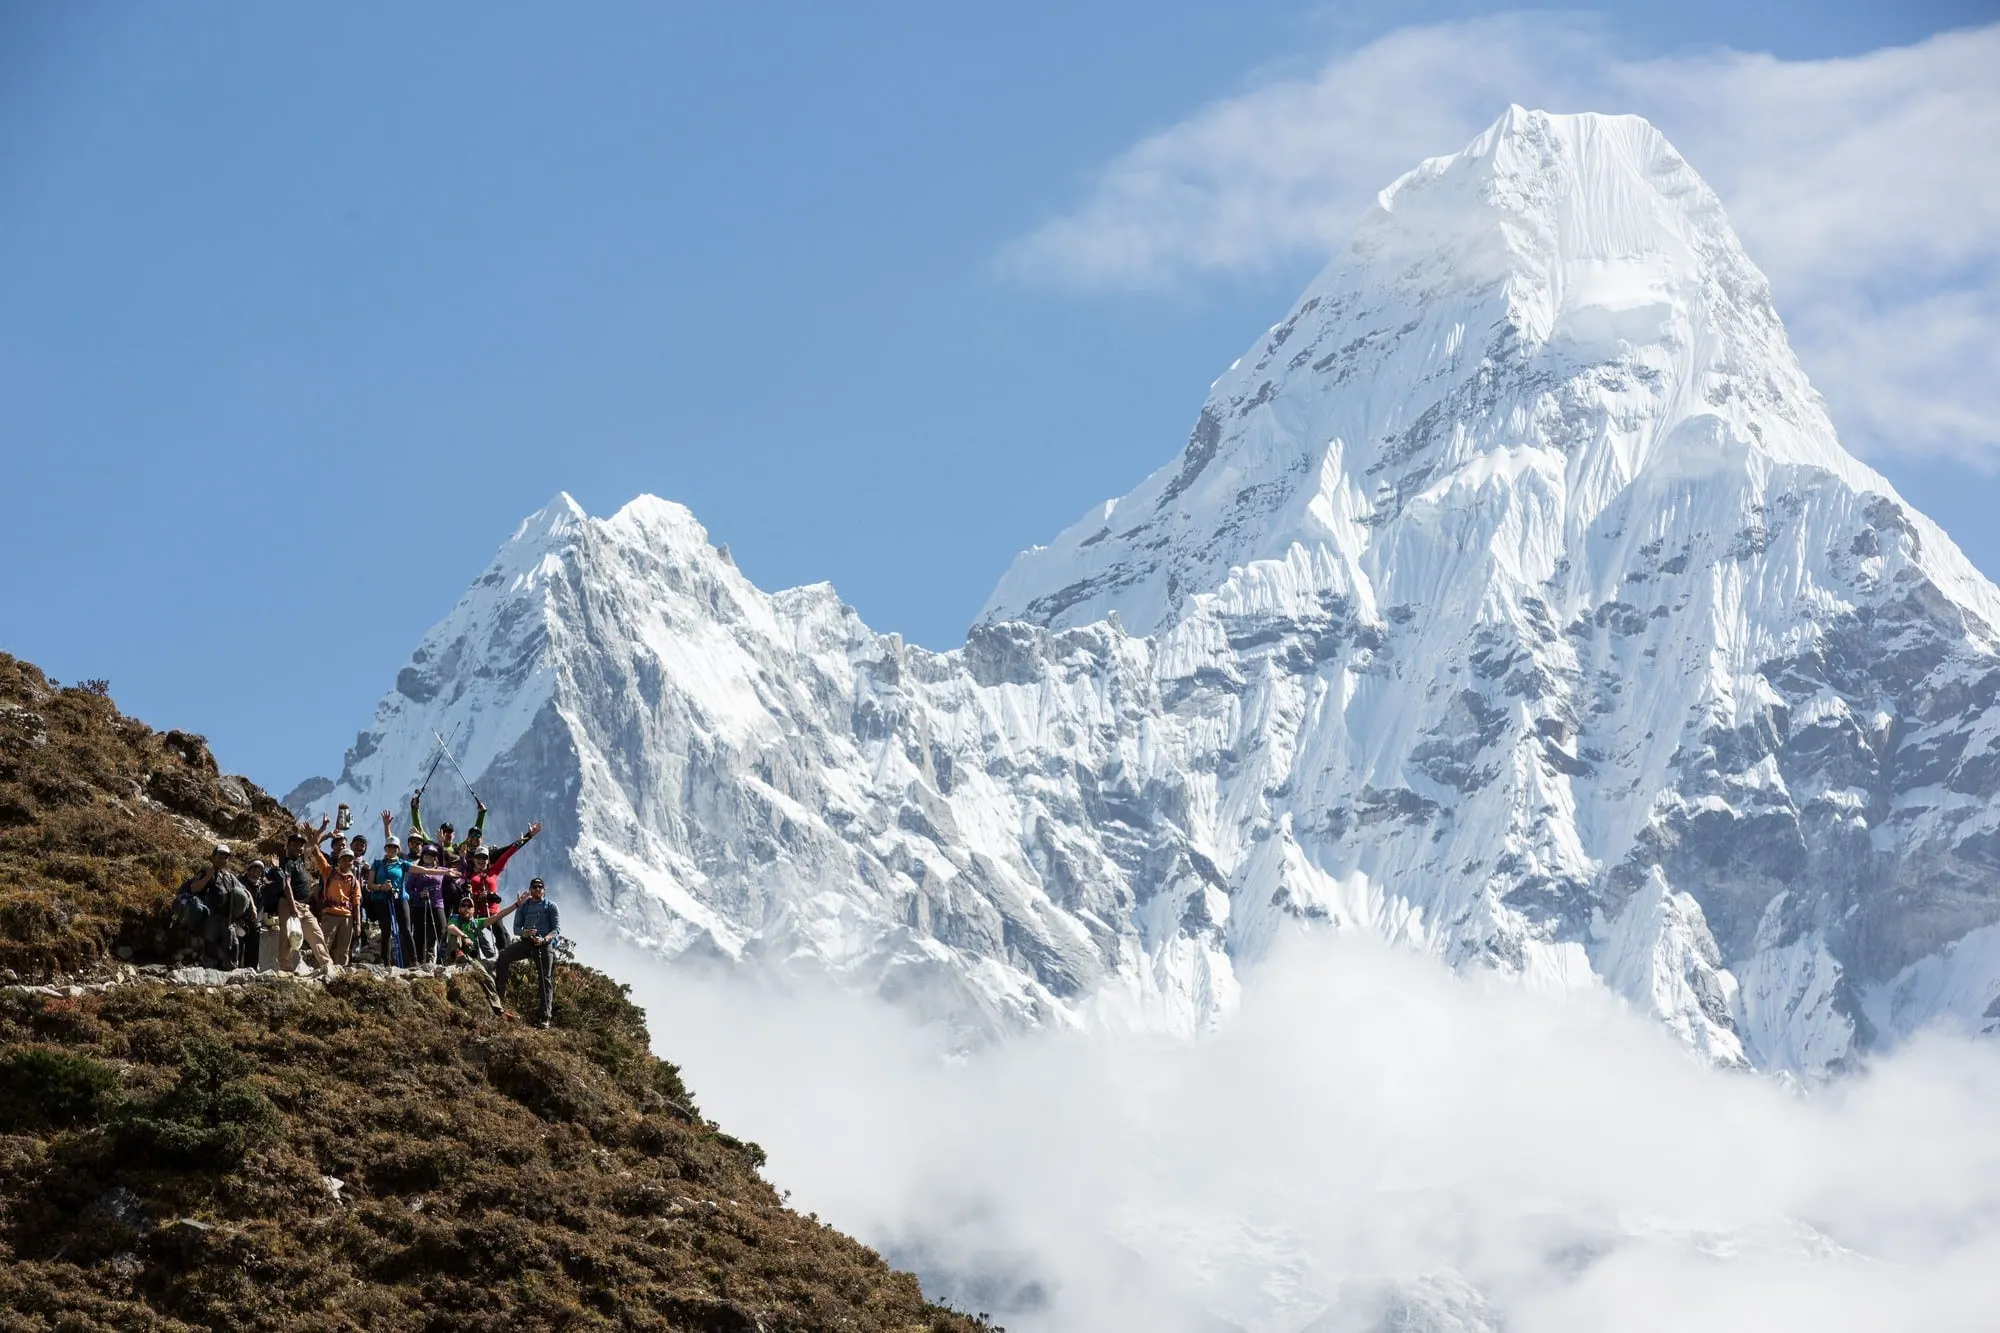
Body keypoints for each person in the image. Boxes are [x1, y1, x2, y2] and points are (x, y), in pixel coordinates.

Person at [461, 822, 539, 950]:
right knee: (474, 939)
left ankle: (504, 961)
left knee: (501, 937)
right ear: (474, 859)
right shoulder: (469, 875)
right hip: (478, 913)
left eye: (484, 858)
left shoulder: (493, 872)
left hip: (493, 913)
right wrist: (477, 895)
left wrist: (528, 836)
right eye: (479, 857)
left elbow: (508, 853)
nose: (481, 860)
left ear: (488, 860)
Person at [180, 843, 259, 969]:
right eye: (220, 856)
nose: (223, 859)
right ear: (213, 856)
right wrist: (208, 876)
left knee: (233, 945)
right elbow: (194, 888)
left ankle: (231, 973)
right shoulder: (205, 872)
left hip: (228, 918)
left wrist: (253, 907)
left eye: (225, 857)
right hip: (212, 917)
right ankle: (209, 971)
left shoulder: (229, 876)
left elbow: (245, 891)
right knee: (210, 945)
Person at [495, 877, 560, 1027]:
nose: (537, 889)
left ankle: (545, 1016)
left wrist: (544, 940)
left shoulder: (551, 906)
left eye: (540, 887)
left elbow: (556, 930)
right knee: (504, 956)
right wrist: (525, 933)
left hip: (544, 944)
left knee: (545, 978)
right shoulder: (524, 907)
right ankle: (499, 997)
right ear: (530, 889)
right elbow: (516, 928)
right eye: (534, 887)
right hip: (527, 942)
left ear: (544, 889)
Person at [271, 827, 335, 974]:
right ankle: (285, 967)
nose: (298, 847)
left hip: (304, 906)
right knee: (286, 935)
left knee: (315, 932)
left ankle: (327, 963)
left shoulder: (300, 860)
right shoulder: (285, 862)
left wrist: (323, 828)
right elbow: (286, 885)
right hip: (289, 903)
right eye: (294, 844)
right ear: (287, 846)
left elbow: (312, 844)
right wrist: (293, 906)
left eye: (300, 844)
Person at [403, 843, 461, 967]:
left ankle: (443, 961)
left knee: (442, 930)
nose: (429, 857)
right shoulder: (416, 871)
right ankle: (419, 963)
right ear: (423, 855)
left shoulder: (441, 870)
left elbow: (458, 873)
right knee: (419, 934)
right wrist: (419, 894)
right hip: (420, 905)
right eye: (427, 854)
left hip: (437, 904)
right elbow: (407, 889)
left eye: (433, 855)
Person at [307, 840, 363, 967]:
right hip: (329, 914)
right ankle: (319, 968)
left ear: (353, 862)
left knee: (343, 948)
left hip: (347, 917)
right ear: (339, 861)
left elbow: (356, 903)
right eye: (344, 859)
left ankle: (340, 972)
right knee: (324, 944)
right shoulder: (329, 872)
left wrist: (358, 924)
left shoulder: (354, 881)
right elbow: (318, 856)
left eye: (349, 860)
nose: (347, 862)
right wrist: (313, 837)